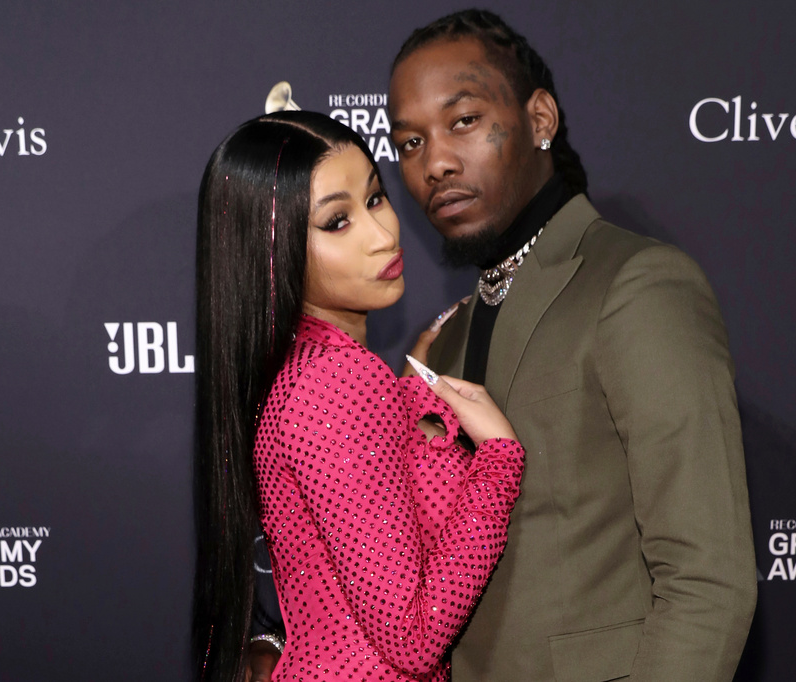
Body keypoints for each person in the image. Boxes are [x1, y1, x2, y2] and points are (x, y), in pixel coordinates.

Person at [253, 9, 757, 681]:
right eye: (407, 143)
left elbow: (709, 580)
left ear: (540, 119)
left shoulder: (634, 285)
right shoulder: (447, 338)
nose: (434, 163)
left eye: (462, 122)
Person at [193, 110, 526, 681]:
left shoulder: (304, 371)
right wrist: (498, 461)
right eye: (336, 222)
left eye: (374, 198)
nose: (384, 234)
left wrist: (407, 405)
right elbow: (414, 638)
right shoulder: (336, 381)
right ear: (271, 252)